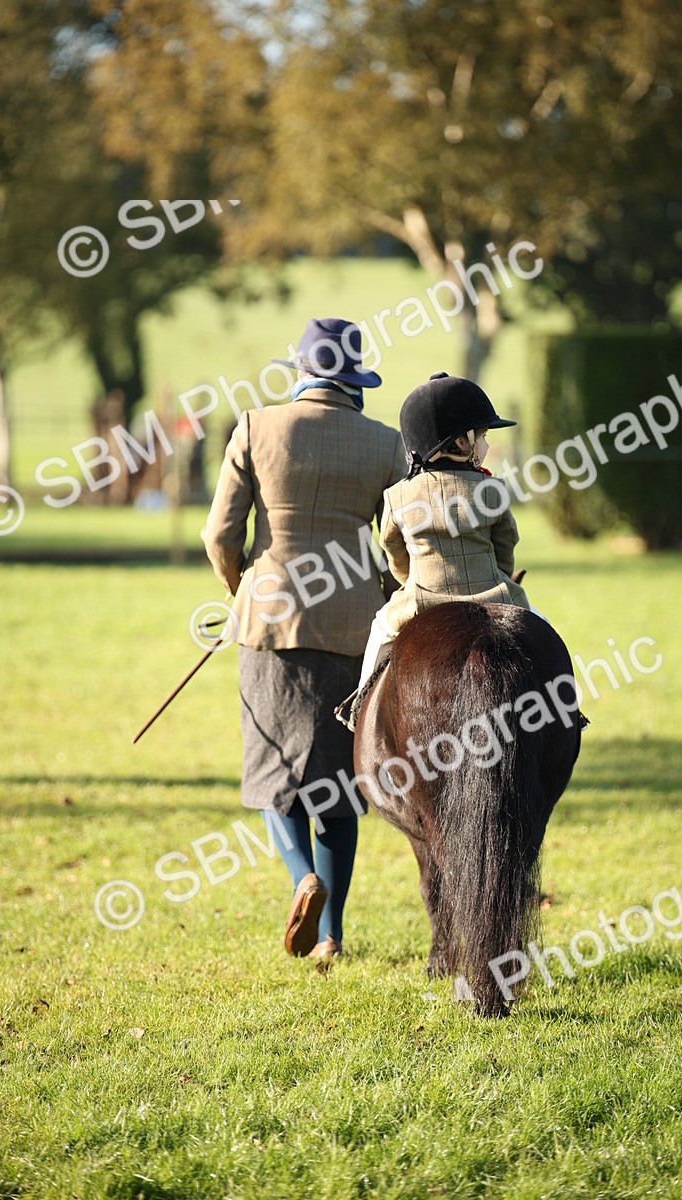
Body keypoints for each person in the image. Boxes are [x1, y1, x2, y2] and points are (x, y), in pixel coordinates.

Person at [202, 317, 407, 961]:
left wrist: (240, 588)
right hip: (354, 629)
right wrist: (390, 591)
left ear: (302, 372)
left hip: (269, 621)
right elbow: (398, 542)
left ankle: (302, 880)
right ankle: (332, 936)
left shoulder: (255, 427)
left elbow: (219, 534)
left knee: (274, 776)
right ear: (355, 380)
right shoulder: (386, 443)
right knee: (339, 788)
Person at [341, 371, 540, 728]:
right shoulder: (492, 490)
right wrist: (499, 574)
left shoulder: (398, 496)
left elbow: (393, 550)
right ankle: (566, 707)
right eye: (483, 436)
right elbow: (506, 545)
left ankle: (359, 711)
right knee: (543, 631)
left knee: (379, 631)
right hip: (494, 595)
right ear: (462, 442)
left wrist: (409, 580)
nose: (486, 444)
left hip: (421, 599)